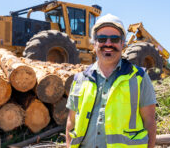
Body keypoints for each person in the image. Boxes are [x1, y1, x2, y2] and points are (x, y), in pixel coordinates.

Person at [65, 13, 157, 148]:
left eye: (114, 39)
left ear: (122, 43)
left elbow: (149, 122)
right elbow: (71, 122)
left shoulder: (139, 78)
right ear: (94, 43)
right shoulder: (80, 79)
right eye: (102, 38)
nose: (108, 43)